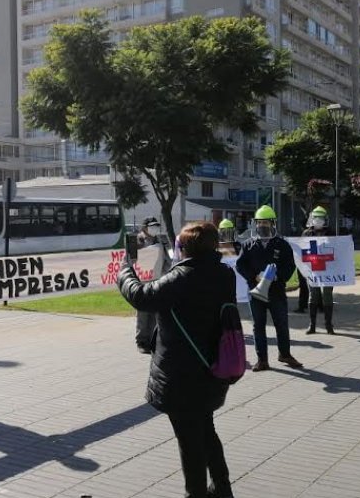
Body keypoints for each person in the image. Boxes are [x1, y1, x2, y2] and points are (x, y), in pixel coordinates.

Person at [118, 222, 235, 498]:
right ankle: (222, 487)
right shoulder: (223, 274)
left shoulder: (184, 277)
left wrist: (126, 269)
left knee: (190, 440)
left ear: (185, 249)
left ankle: (195, 493)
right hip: (212, 368)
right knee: (206, 430)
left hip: (182, 376)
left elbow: (141, 296)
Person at [236, 205, 303, 371]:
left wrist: (278, 276)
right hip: (255, 292)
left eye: (266, 222)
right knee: (258, 325)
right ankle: (262, 360)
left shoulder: (282, 244)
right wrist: (254, 277)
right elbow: (240, 265)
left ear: (273, 224)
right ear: (255, 223)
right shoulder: (248, 245)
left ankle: (285, 354)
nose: (262, 225)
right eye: (260, 222)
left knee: (281, 323)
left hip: (276, 292)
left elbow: (290, 265)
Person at [134, 217, 172, 353]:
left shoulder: (161, 239)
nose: (155, 228)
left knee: (156, 311)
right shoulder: (137, 240)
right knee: (143, 312)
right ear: (144, 227)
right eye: (152, 226)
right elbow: (130, 259)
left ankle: (154, 339)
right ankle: (142, 341)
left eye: (157, 226)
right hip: (142, 281)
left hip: (158, 280)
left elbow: (168, 258)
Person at [302, 206, 335, 334]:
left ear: (325, 219)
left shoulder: (331, 233)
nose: (318, 220)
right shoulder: (306, 233)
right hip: (313, 269)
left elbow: (336, 250)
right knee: (313, 296)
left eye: (321, 218)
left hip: (328, 270)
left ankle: (329, 325)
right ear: (312, 219)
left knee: (327, 296)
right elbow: (301, 252)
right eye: (316, 218)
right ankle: (312, 325)